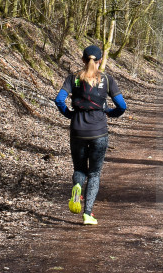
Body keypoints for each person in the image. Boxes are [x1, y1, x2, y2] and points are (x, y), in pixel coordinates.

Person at [54, 45, 127, 225]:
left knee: (79, 169)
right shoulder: (107, 80)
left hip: (78, 131)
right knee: (94, 174)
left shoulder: (73, 79)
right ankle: (87, 214)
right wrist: (110, 113)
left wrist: (70, 114)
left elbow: (59, 100)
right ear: (100, 60)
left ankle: (77, 187)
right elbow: (122, 106)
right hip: (99, 132)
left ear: (82, 60)